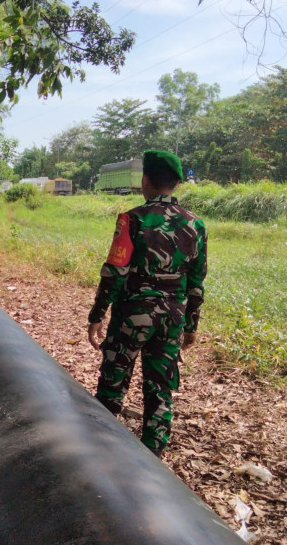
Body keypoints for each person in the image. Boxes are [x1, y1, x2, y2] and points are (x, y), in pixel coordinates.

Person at [87, 150, 207, 458]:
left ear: (146, 180)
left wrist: (97, 314)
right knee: (161, 389)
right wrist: (191, 324)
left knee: (113, 385)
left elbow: (114, 271)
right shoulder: (196, 225)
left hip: (133, 316)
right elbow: (196, 280)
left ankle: (101, 452)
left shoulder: (133, 219)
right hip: (172, 319)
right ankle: (153, 458)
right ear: (176, 184)